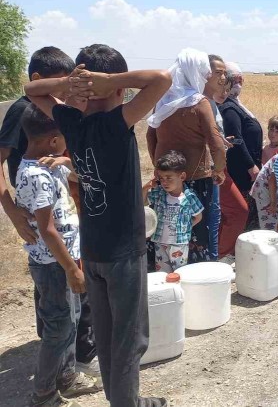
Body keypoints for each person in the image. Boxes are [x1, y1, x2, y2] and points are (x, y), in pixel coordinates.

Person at [25, 43, 172, 407]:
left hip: (92, 253)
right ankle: (127, 403)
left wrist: (70, 86)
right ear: (117, 89)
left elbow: (30, 90)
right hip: (124, 253)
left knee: (107, 337)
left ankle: (127, 398)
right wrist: (106, 81)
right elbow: (162, 79)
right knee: (128, 339)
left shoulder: (72, 122)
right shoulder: (116, 121)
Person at [0, 47, 99, 377]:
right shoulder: (23, 110)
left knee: (71, 293)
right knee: (58, 286)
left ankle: (70, 356)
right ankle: (59, 361)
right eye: (61, 83)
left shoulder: (59, 108)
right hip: (43, 220)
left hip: (64, 214)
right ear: (38, 81)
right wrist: (12, 212)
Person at [16, 106, 102, 407]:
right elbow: (48, 230)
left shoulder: (49, 164)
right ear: (54, 139)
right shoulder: (37, 175)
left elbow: (82, 173)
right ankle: (43, 393)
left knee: (72, 320)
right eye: (66, 139)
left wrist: (65, 159)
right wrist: (71, 269)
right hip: (54, 264)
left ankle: (66, 376)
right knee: (58, 328)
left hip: (64, 259)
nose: (69, 144)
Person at [147, 49, 227, 265]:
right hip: (196, 178)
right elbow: (216, 142)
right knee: (197, 229)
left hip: (167, 179)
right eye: (203, 72)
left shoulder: (162, 100)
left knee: (168, 228)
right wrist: (219, 169)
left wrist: (160, 168)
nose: (204, 77)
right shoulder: (199, 102)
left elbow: (150, 134)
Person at [219, 63, 263, 232]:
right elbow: (236, 140)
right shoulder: (229, 108)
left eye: (241, 79)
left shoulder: (236, 104)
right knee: (243, 210)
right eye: (234, 79)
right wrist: (250, 165)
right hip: (242, 170)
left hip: (248, 168)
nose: (238, 83)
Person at [143, 151, 204, 272]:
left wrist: (186, 227)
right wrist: (146, 188)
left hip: (179, 244)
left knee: (179, 273)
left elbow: (198, 217)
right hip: (160, 242)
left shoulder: (189, 197)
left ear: (182, 177)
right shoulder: (159, 193)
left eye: (169, 178)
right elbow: (142, 202)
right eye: (161, 178)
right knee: (162, 274)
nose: (164, 182)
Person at [212, 75, 248, 260]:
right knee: (237, 211)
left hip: (218, 167)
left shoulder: (214, 106)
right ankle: (220, 255)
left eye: (227, 89)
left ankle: (218, 253)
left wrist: (220, 141)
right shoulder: (200, 105)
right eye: (221, 87)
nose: (225, 93)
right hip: (212, 169)